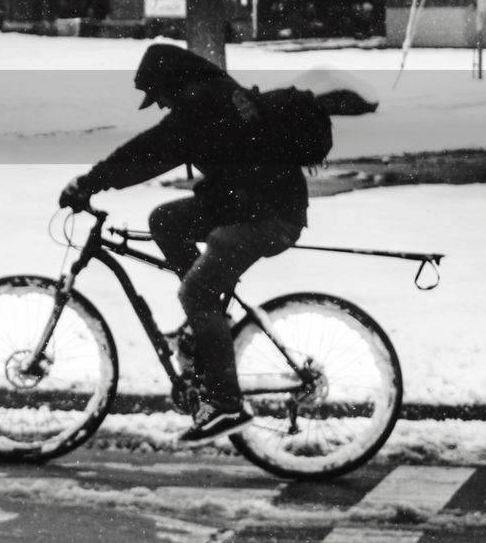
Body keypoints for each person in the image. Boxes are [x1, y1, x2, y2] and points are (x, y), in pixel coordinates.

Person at [58, 43, 308, 444]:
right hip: (245, 204)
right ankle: (211, 326)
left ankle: (226, 403)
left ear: (174, 83)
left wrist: (90, 182)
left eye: (159, 96)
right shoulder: (211, 94)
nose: (160, 106)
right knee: (165, 220)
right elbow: (155, 149)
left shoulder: (202, 102)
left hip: (265, 216)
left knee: (196, 292)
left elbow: (150, 150)